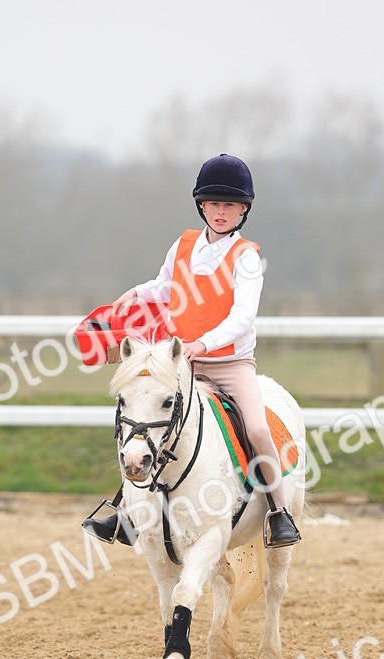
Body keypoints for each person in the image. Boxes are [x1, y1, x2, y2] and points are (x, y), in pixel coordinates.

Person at [82, 153, 301, 549]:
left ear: (243, 210)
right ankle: (128, 514)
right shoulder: (184, 244)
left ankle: (277, 511)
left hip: (231, 363)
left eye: (230, 205)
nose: (221, 212)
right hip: (183, 363)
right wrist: (135, 293)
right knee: (143, 416)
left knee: (255, 427)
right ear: (202, 205)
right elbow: (167, 287)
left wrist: (202, 344)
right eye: (214, 204)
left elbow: (241, 319)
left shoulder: (247, 257)